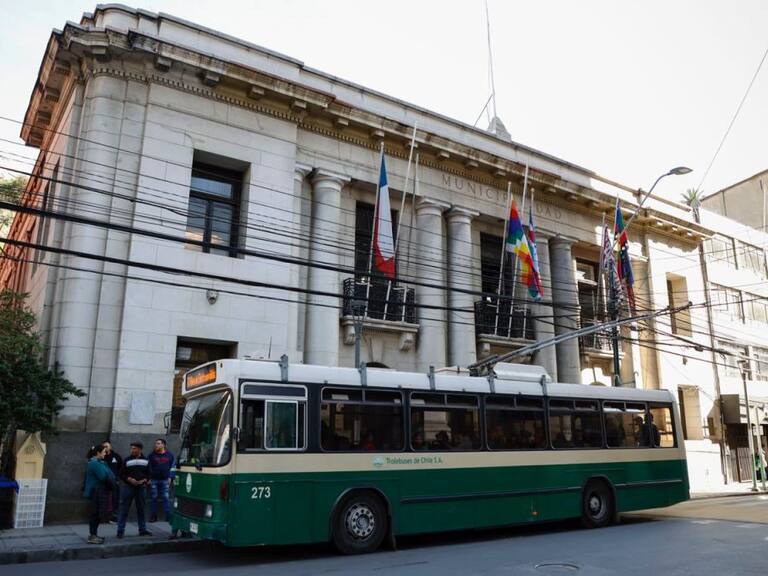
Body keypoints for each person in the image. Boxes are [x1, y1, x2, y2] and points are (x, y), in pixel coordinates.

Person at [117, 441, 152, 538]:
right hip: (128, 487)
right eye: (131, 448)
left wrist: (145, 480)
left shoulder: (146, 460)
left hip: (141, 488)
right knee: (124, 509)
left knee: (141, 509)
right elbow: (121, 474)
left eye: (134, 448)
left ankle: (142, 529)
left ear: (140, 449)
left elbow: (149, 474)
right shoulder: (127, 460)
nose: (132, 450)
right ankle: (120, 531)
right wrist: (129, 479)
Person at [83, 444, 116, 544]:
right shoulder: (94, 463)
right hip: (96, 492)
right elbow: (103, 476)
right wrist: (110, 477)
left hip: (99, 491)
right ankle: (92, 536)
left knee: (97, 514)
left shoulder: (99, 462)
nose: (105, 454)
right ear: (98, 453)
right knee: (95, 514)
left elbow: (109, 473)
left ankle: (94, 535)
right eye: (104, 452)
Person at [147, 438, 175, 523]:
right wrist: (148, 478)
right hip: (154, 480)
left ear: (163, 445)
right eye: (156, 444)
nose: (156, 445)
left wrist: (171, 477)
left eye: (158, 443)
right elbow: (148, 467)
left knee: (166, 497)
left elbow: (173, 467)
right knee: (153, 497)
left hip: (165, 480)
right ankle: (153, 516)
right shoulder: (151, 455)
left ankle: (168, 515)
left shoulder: (170, 455)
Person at [101, 441, 123, 522]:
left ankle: (114, 516)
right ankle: (103, 516)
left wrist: (117, 477)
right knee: (104, 499)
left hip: (115, 481)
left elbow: (121, 466)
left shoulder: (116, 456)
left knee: (115, 499)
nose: (105, 448)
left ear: (110, 446)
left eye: (107, 446)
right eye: (104, 446)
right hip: (104, 481)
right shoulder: (102, 457)